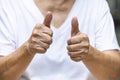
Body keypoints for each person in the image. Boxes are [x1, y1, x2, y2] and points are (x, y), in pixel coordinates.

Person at [0, 0, 120, 80]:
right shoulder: (10, 4)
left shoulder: (96, 4)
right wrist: (27, 49)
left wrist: (89, 53)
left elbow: (114, 73)